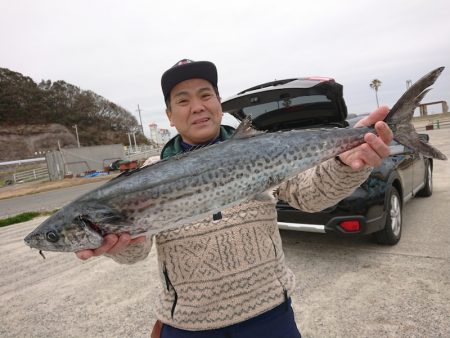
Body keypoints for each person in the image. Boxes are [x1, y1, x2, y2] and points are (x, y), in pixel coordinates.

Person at [76, 59, 393, 338]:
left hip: (269, 316)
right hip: (187, 325)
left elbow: (312, 195)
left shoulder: (262, 148)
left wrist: (348, 163)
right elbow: (138, 250)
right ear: (170, 116)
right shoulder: (149, 173)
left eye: (206, 95)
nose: (197, 106)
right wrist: (118, 242)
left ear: (218, 103)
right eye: (183, 100)